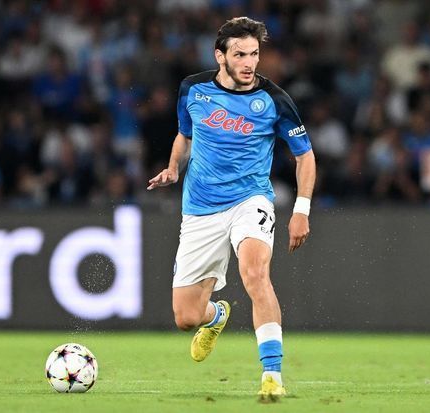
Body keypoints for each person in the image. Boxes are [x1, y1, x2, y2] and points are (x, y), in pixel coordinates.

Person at [147, 17, 316, 397]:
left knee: (255, 274)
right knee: (187, 317)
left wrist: (301, 209)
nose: (249, 63)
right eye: (240, 54)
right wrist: (173, 168)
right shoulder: (193, 89)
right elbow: (184, 135)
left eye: (254, 54)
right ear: (219, 56)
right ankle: (217, 314)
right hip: (200, 208)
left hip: (249, 200)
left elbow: (305, 156)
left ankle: (272, 376)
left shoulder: (274, 100)